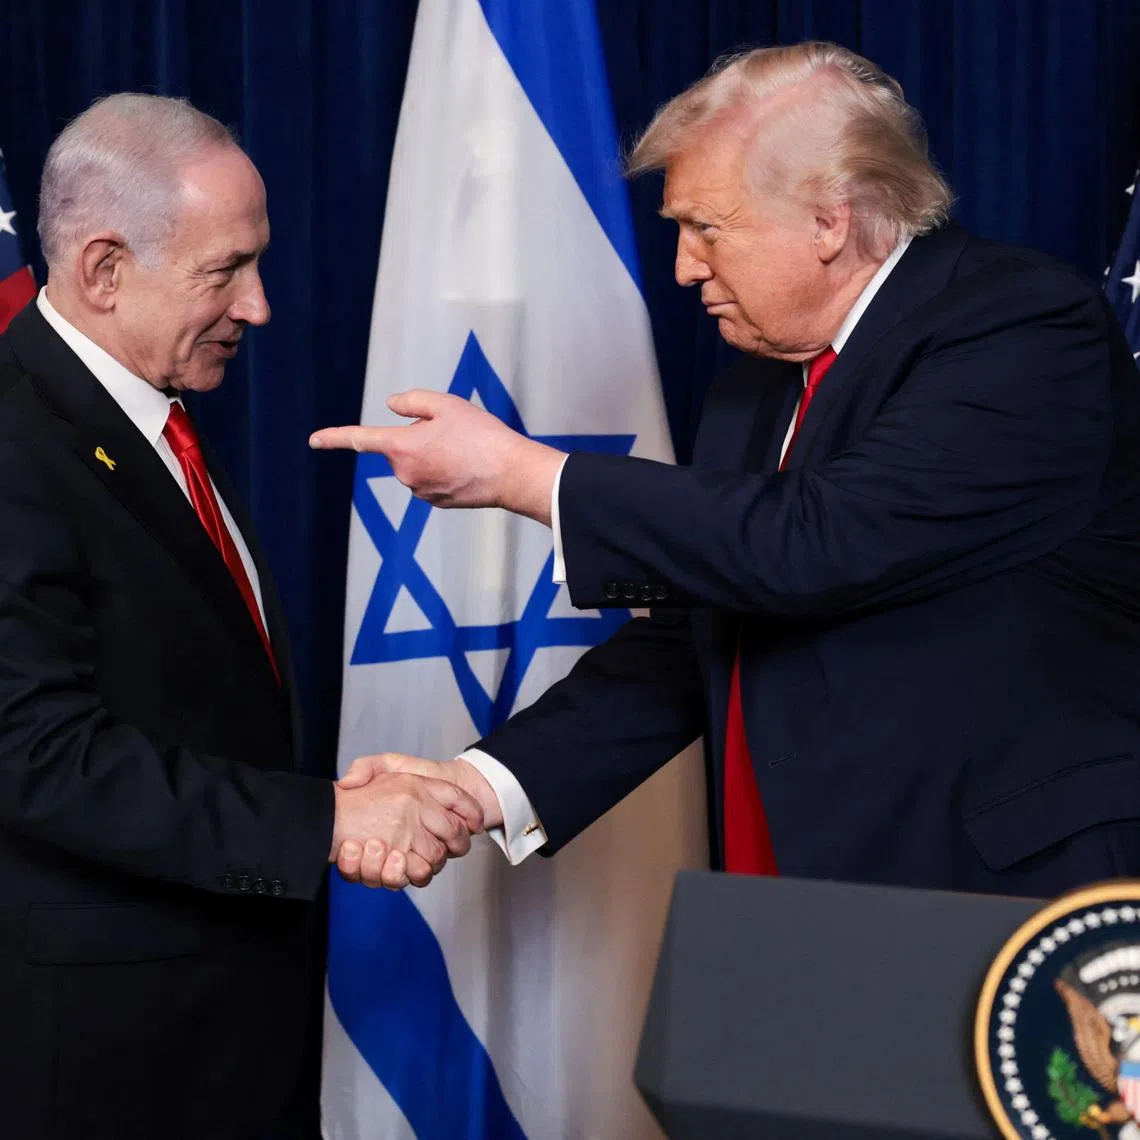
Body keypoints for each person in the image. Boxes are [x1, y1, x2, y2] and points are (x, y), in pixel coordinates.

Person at [312, 40, 1140, 901]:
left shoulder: (1018, 325)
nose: (683, 267)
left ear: (830, 219)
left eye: (706, 227)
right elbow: (699, 636)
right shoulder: (755, 388)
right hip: (787, 899)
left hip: (993, 896)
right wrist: (480, 787)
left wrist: (527, 475)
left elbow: (820, 543)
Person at [0, 94, 482, 1140]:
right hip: (102, 1059)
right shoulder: (13, 439)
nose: (259, 306)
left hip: (228, 1027)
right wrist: (324, 821)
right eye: (226, 272)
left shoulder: (146, 415)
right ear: (103, 270)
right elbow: (31, 754)